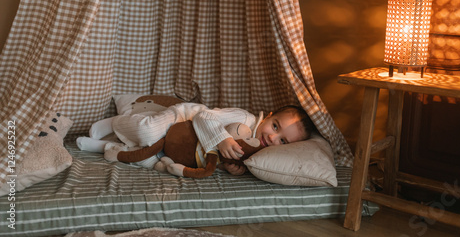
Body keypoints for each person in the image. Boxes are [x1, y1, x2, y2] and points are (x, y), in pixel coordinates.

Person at [77, 102, 315, 175]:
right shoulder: (245, 119)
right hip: (182, 119)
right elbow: (203, 117)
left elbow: (208, 160)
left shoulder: (258, 152)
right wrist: (222, 139)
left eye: (283, 141)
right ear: (269, 116)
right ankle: (118, 121)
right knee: (148, 133)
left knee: (151, 161)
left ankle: (105, 147)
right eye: (275, 126)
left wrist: (229, 167)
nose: (273, 137)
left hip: (180, 148)